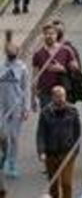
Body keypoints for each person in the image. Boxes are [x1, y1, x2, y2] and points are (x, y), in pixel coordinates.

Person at [36, 83, 81, 198]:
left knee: (66, 183)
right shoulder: (45, 112)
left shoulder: (73, 111)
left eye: (62, 96)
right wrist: (41, 152)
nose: (60, 99)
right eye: (57, 96)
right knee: (53, 184)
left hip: (67, 153)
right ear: (52, 97)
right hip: (51, 153)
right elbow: (40, 133)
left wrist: (75, 151)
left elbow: (78, 132)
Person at [0, 41, 28, 178]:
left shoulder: (22, 68)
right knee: (3, 136)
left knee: (14, 138)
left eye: (14, 52)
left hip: (16, 107)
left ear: (18, 52)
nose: (12, 55)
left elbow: (25, 89)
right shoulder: (0, 66)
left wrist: (26, 108)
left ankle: (12, 163)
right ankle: (4, 156)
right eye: (9, 52)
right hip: (1, 108)